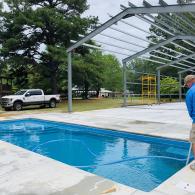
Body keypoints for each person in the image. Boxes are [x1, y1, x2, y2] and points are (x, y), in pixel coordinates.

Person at [185, 75, 195, 171]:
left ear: (191, 81)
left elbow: (190, 110)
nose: (187, 86)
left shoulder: (190, 92)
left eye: (187, 84)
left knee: (194, 141)